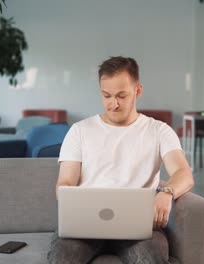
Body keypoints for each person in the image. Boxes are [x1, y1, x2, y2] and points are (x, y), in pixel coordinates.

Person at [47, 56, 194, 264]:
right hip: (84, 227)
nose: (113, 104)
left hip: (138, 229)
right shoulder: (79, 131)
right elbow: (65, 183)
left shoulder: (159, 131)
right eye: (106, 95)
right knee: (62, 258)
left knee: (151, 258)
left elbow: (183, 174)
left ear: (138, 91)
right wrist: (68, 199)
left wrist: (166, 193)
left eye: (121, 96)